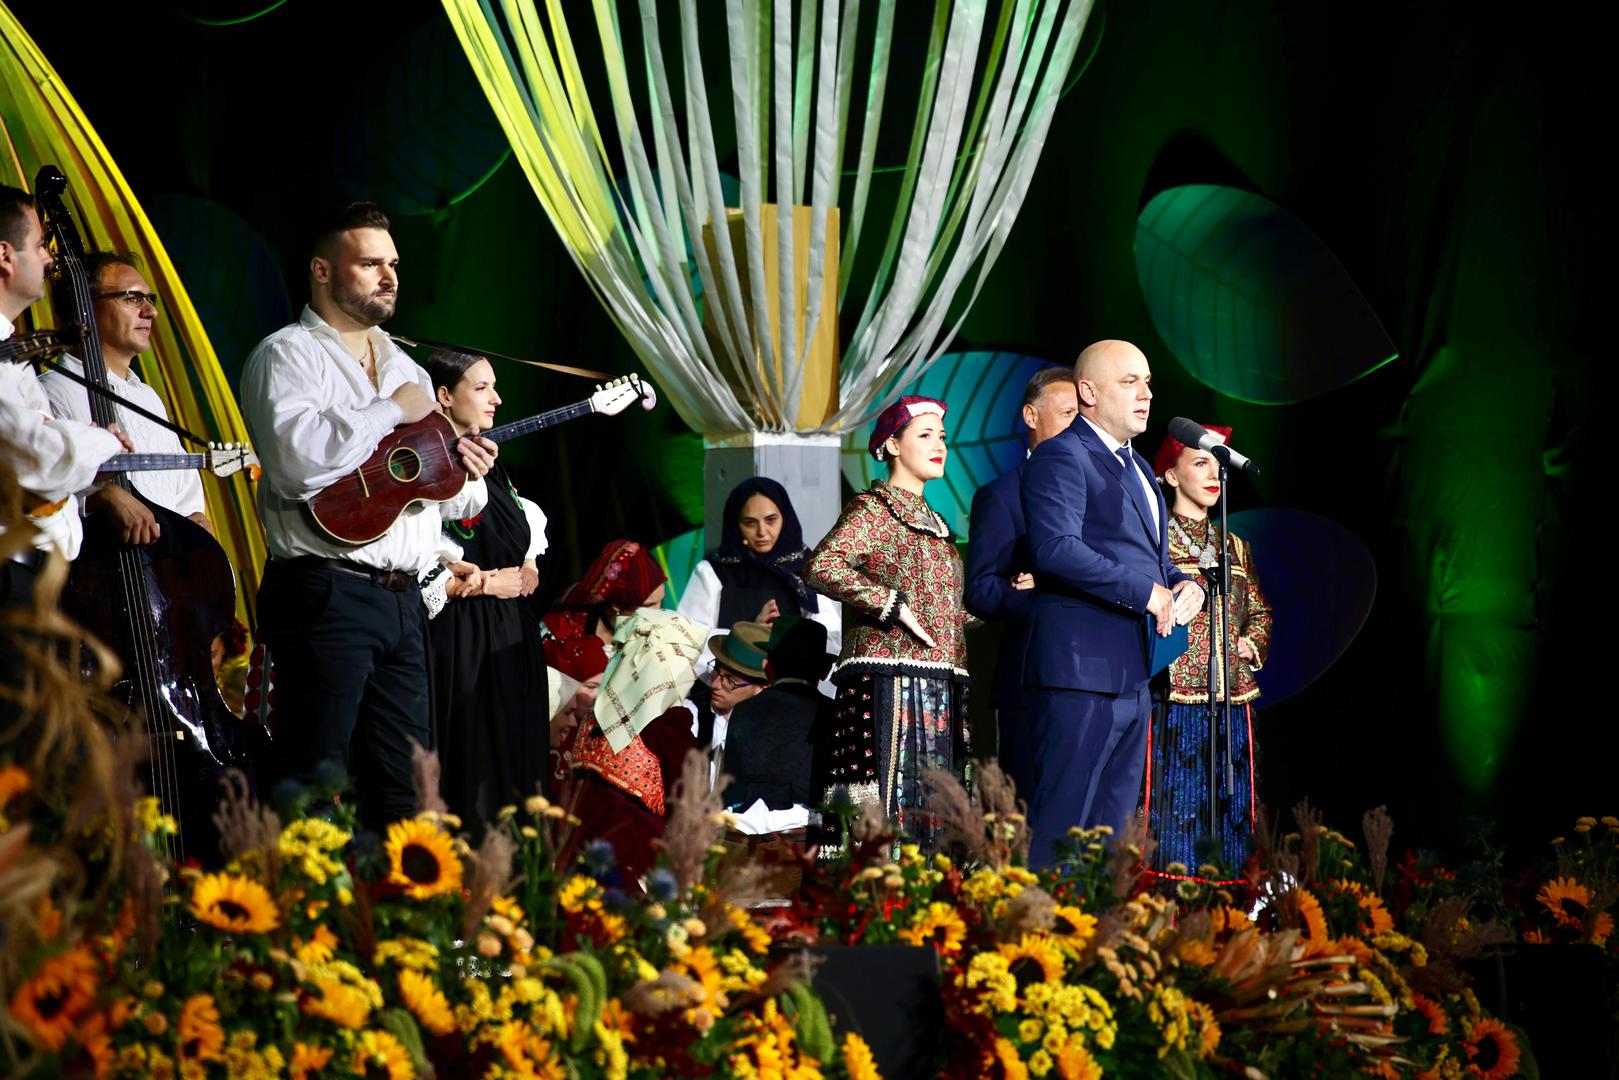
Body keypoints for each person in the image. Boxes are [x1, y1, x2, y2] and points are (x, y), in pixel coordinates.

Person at [240, 202, 498, 826]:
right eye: (370, 264)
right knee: (313, 776)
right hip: (327, 590)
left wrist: (466, 470)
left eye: (394, 265)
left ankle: (394, 893)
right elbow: (300, 464)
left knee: (408, 791)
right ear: (323, 271)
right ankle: (291, 890)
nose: (389, 277)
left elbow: (422, 492)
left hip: (402, 601)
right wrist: (391, 411)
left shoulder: (405, 367)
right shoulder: (288, 355)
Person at [1021, 340, 1204, 867]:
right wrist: (1146, 593)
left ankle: (1099, 920)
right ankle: (1042, 919)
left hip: (1134, 672)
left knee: (1110, 833)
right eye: (1129, 382)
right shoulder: (1061, 455)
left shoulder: (1140, 468)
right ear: (1088, 391)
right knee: (1064, 829)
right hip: (1081, 671)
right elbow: (1056, 549)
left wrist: (1182, 584)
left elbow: (1150, 559)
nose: (1146, 394)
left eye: (1148, 383)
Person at [804, 395, 972, 848]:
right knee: (880, 804)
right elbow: (822, 565)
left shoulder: (938, 524)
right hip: (888, 678)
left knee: (934, 809)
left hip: (940, 680)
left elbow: (946, 612)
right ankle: (873, 885)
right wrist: (890, 605)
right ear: (893, 445)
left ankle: (925, 885)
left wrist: (1012, 596)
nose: (939, 445)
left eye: (942, 436)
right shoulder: (875, 510)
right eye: (925, 435)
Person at [418, 348, 551, 833]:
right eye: (481, 388)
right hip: (464, 638)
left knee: (515, 759)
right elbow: (417, 553)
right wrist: (482, 584)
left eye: (494, 387)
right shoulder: (427, 465)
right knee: (474, 759)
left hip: (510, 632)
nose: (496, 399)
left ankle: (516, 868)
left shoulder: (488, 460)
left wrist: (529, 561)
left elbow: (523, 518)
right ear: (444, 395)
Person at [1143, 425, 1273, 875]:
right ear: (1171, 475)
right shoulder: (1153, 540)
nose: (1214, 474)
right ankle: (1173, 893)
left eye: (1218, 464)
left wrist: (1250, 643)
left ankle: (1231, 896)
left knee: (1232, 801)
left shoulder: (1234, 545)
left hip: (1232, 695)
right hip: (1173, 692)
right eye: (1200, 462)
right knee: (1175, 802)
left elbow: (1260, 611)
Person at [0, 185, 127, 606]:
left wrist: (67, 441)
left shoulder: (13, 352)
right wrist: (101, 440)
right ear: (5, 256)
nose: (50, 259)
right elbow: (39, 457)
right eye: (40, 246)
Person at [39, 252, 214, 542]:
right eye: (132, 298)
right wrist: (96, 498)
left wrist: (191, 522)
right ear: (85, 307)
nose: (151, 311)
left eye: (150, 299)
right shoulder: (49, 392)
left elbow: (184, 492)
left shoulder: (147, 398)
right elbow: (27, 493)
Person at [964, 366, 1077, 802]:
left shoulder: (1105, 491)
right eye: (1067, 414)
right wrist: (1042, 598)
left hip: (1102, 680)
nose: (1078, 426)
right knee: (1032, 813)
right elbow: (981, 589)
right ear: (1031, 416)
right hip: (1033, 682)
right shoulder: (1001, 495)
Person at [558, 609, 704, 884]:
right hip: (631, 860)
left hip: (573, 849)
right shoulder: (668, 725)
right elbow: (687, 800)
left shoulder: (596, 714)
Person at [676, 476, 841, 673]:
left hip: (788, 683)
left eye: (771, 520)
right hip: (730, 683)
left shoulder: (804, 569)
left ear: (784, 517)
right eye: (750, 523)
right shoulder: (715, 571)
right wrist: (749, 633)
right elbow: (688, 641)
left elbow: (830, 638)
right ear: (736, 524)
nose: (762, 531)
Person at [721, 616, 834, 837]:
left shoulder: (742, 709)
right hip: (798, 833)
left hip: (737, 831)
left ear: (768, 668)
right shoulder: (833, 713)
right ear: (824, 671)